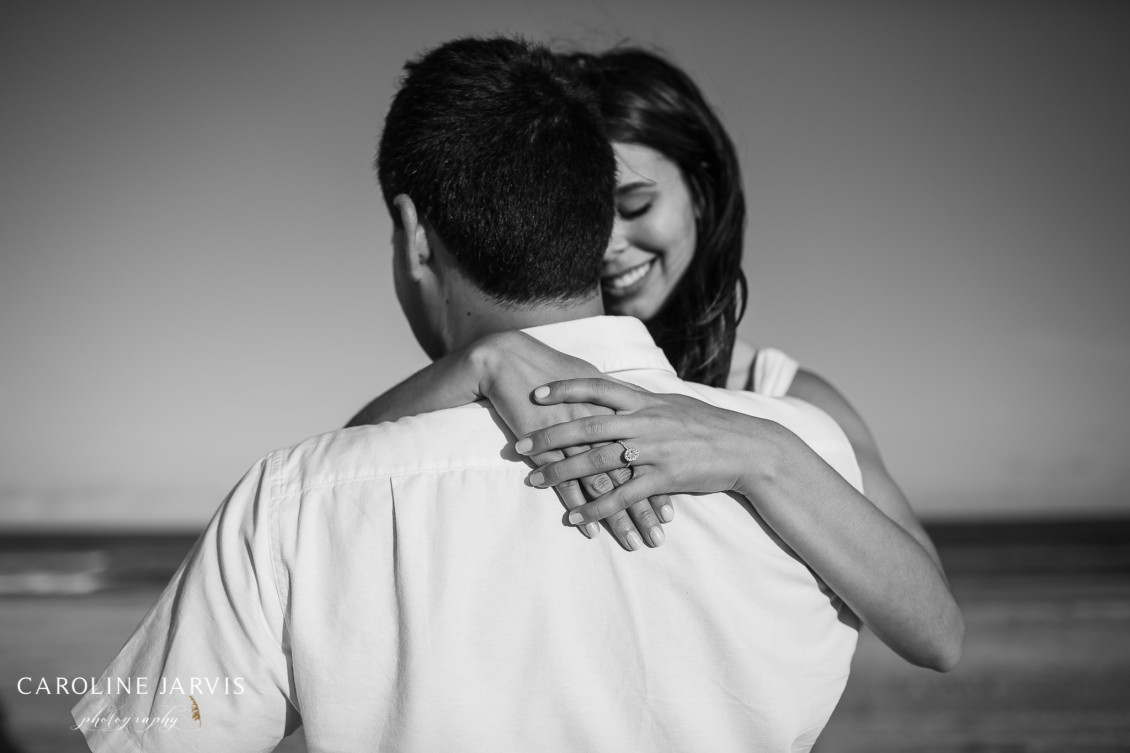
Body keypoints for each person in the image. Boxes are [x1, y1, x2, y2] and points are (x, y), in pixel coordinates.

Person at [71, 36, 867, 752]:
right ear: (594, 219)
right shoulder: (810, 456)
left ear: (415, 235)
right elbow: (931, 630)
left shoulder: (300, 503)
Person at [347, 47, 964, 671]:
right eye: (594, 214)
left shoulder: (780, 394)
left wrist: (765, 454)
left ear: (701, 190)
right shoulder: (513, 363)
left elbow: (938, 633)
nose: (612, 243)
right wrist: (479, 362)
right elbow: (348, 476)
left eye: (636, 205)